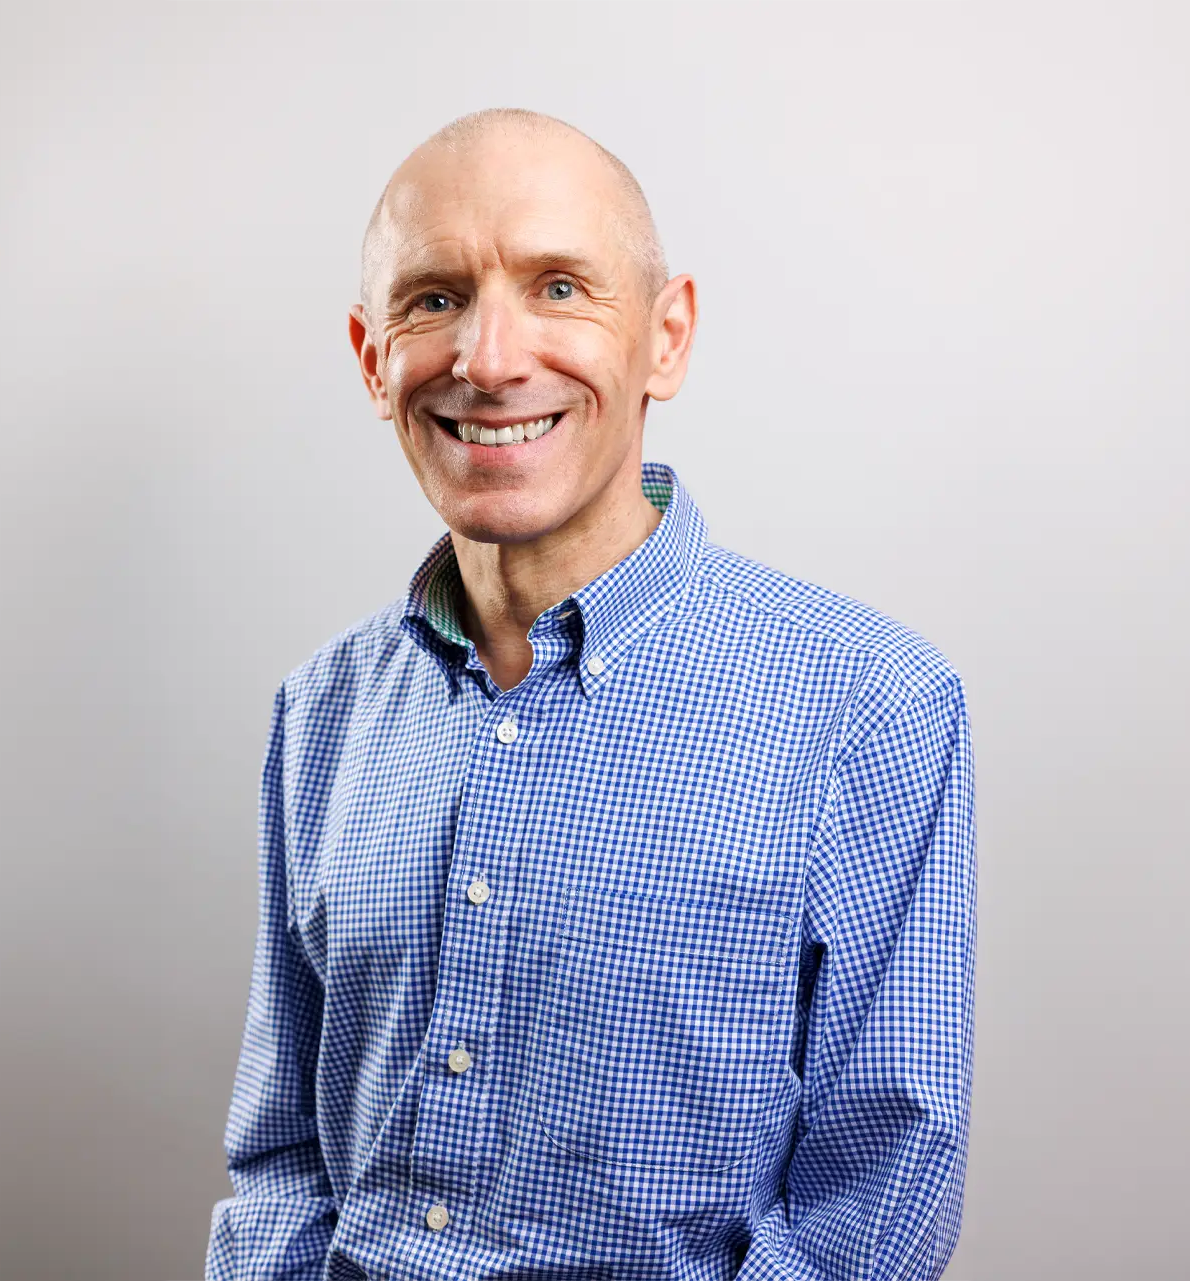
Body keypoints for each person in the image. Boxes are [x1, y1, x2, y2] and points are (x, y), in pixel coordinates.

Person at [206, 108, 976, 1281]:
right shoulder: (322, 714)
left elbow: (871, 1208)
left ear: (667, 338)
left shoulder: (869, 705)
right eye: (435, 299)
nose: (489, 360)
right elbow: (282, 1163)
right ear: (372, 359)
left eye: (559, 288)